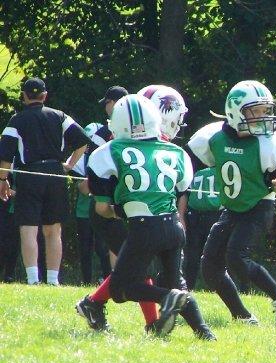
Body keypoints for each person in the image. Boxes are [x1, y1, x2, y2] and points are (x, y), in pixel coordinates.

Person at [80, 93, 214, 339]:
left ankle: (165, 299)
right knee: (177, 282)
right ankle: (204, 333)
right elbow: (178, 190)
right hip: (173, 226)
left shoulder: (107, 152)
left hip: (143, 227)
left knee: (122, 288)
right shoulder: (177, 152)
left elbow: (102, 209)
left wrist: (122, 210)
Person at [186, 80, 276, 326]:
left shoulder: (270, 144)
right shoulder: (212, 137)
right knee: (210, 267)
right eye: (255, 111)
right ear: (235, 111)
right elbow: (197, 164)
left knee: (237, 258)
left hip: (259, 206)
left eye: (265, 110)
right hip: (231, 208)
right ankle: (242, 316)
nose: (262, 117)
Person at [76, 85, 158, 331]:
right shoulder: (106, 138)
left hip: (130, 210)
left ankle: (93, 303)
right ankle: (153, 323)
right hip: (110, 210)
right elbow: (93, 186)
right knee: (138, 265)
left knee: (132, 265)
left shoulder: (148, 138)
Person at [0, 77, 89, 285]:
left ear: (24, 96)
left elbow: (5, 156)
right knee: (53, 228)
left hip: (29, 174)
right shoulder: (60, 116)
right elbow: (83, 141)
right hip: (55, 173)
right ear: (45, 95)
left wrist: (2, 179)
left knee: (28, 228)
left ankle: (33, 279)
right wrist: (69, 164)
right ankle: (53, 280)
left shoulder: (17, 120)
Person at [71, 122, 112, 284]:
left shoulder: (108, 156)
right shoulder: (79, 158)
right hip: (83, 211)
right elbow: (83, 188)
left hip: (103, 209)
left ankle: (107, 280)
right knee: (85, 248)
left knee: (104, 248)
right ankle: (86, 281)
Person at [179, 166, 222, 290]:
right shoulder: (222, 172)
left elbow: (185, 194)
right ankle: (218, 286)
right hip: (213, 216)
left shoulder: (197, 172)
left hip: (195, 216)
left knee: (193, 255)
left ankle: (188, 286)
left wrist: (181, 216)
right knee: (215, 254)